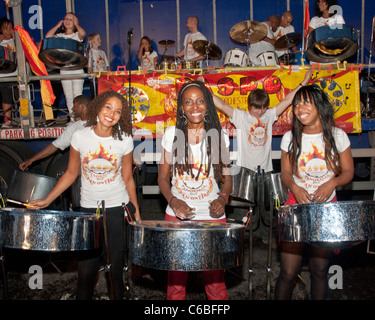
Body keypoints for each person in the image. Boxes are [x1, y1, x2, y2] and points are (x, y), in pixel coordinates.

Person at [29, 90, 141, 300]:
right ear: (98, 107)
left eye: (118, 111)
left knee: (115, 272)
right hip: (89, 210)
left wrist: (136, 212)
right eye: (108, 107)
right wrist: (47, 199)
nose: (111, 113)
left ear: (121, 116)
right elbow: (72, 173)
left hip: (117, 208)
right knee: (86, 273)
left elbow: (127, 178)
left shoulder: (124, 139)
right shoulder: (80, 136)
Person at [205, 69, 312, 244]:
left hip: (266, 172)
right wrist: (205, 89)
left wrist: (304, 81)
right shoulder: (240, 117)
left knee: (267, 210)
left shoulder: (269, 115)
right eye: (256, 108)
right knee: (244, 210)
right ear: (249, 106)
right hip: (244, 171)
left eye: (263, 107)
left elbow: (287, 100)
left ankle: (266, 238)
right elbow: (222, 105)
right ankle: (243, 239)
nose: (260, 111)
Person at [275, 84, 354, 300]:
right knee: (288, 273)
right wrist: (295, 187)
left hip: (326, 210)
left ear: (320, 105)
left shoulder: (338, 136)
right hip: (296, 207)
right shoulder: (289, 138)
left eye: (306, 101)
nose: (300, 107)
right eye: (297, 103)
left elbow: (348, 172)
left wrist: (331, 184)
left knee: (320, 271)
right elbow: (286, 174)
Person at [158, 80, 232, 300]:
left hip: (212, 216)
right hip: (177, 215)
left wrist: (223, 198)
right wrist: (173, 200)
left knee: (216, 280)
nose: (195, 106)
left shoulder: (219, 136)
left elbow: (227, 180)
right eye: (188, 102)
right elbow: (162, 178)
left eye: (200, 101)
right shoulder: (171, 134)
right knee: (176, 281)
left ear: (208, 105)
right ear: (181, 108)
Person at [19, 95, 91, 171]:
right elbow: (54, 146)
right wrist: (32, 160)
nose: (72, 109)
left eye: (74, 106)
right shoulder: (73, 128)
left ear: (82, 107)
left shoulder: (99, 123)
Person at [45, 12, 86, 123]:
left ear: (75, 22)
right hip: (64, 69)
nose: (67, 21)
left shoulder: (76, 35)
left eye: (71, 19)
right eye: (66, 18)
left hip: (77, 69)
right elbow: (48, 37)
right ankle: (72, 119)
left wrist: (77, 24)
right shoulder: (60, 36)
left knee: (77, 95)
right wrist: (58, 26)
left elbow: (83, 33)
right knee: (68, 96)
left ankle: (80, 119)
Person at [0, 17, 17, 128]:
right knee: (6, 98)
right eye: (6, 28)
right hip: (3, 75)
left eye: (11, 28)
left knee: (19, 97)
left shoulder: (16, 41)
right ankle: (8, 121)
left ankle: (26, 119)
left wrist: (17, 39)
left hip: (16, 74)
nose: (8, 31)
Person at [87, 33, 109, 97]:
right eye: (98, 39)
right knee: (96, 96)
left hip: (103, 79)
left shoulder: (102, 52)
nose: (100, 41)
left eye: (100, 39)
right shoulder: (90, 52)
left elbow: (106, 66)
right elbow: (89, 67)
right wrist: (93, 76)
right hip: (95, 79)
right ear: (93, 41)